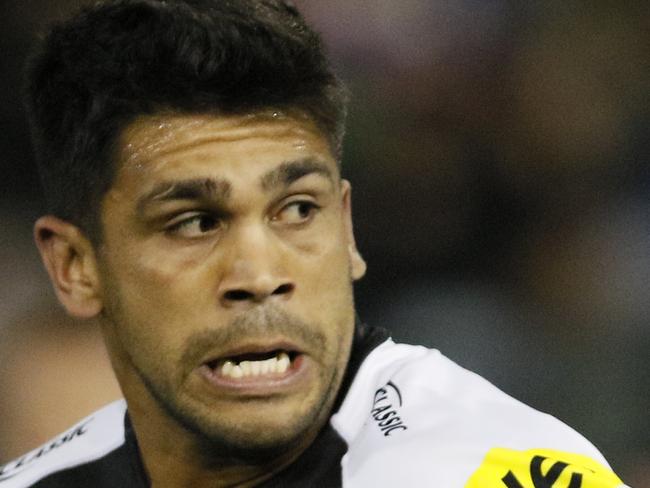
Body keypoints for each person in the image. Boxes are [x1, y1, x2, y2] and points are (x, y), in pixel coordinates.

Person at [1, 1, 630, 486]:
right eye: (194, 222)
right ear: (77, 267)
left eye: (298, 210)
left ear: (348, 229)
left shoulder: (477, 467)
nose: (260, 272)